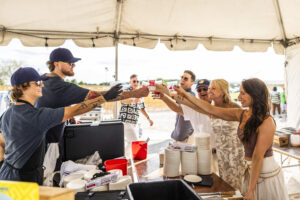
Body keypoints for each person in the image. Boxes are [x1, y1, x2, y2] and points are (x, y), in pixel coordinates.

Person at [0, 67, 122, 184]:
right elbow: (73, 110)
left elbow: (2, 142)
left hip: (5, 175)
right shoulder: (36, 117)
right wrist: (104, 98)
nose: (42, 85)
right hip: (23, 181)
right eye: (37, 83)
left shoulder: (7, 114)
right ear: (22, 87)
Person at [174, 78, 288, 200]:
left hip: (266, 175)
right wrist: (184, 94)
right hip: (250, 172)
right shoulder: (242, 114)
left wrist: (251, 189)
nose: (239, 97)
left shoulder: (267, 121)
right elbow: (210, 109)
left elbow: (257, 156)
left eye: (243, 93)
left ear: (254, 94)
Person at [35, 48, 149, 169]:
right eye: (69, 63)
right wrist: (134, 93)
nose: (73, 65)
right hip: (49, 146)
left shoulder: (41, 79)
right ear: (56, 64)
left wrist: (69, 117)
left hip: (37, 142)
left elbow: (51, 103)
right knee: (50, 180)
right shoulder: (60, 85)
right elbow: (98, 95)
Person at [155, 79, 218, 173]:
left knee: (219, 184)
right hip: (199, 155)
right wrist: (163, 97)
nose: (202, 92)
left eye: (205, 89)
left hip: (216, 155)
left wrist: (167, 92)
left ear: (210, 90)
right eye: (199, 90)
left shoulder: (217, 107)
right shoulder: (195, 108)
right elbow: (177, 108)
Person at [119, 74, 153, 156]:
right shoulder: (127, 91)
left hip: (134, 123)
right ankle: (123, 157)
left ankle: (123, 158)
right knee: (135, 142)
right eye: (134, 81)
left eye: (138, 81)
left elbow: (142, 108)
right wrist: (134, 100)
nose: (136, 83)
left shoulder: (140, 93)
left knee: (130, 143)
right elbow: (123, 101)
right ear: (130, 82)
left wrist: (148, 118)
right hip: (126, 121)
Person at [158, 70, 195, 143]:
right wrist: (165, 90)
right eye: (182, 77)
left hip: (185, 138)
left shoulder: (191, 95)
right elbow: (173, 96)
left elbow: (178, 108)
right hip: (178, 136)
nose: (182, 80)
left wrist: (163, 95)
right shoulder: (182, 94)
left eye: (186, 78)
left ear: (192, 83)